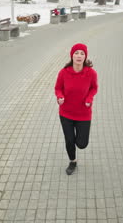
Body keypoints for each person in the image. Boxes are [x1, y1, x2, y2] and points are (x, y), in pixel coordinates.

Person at [54, 43, 98, 175]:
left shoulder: (91, 73)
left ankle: (78, 147)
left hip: (83, 113)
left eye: (82, 53)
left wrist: (89, 99)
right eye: (76, 53)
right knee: (69, 140)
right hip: (66, 113)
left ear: (85, 56)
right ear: (72, 56)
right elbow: (58, 88)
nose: (79, 56)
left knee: (82, 143)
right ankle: (72, 161)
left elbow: (94, 88)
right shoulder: (63, 72)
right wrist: (60, 96)